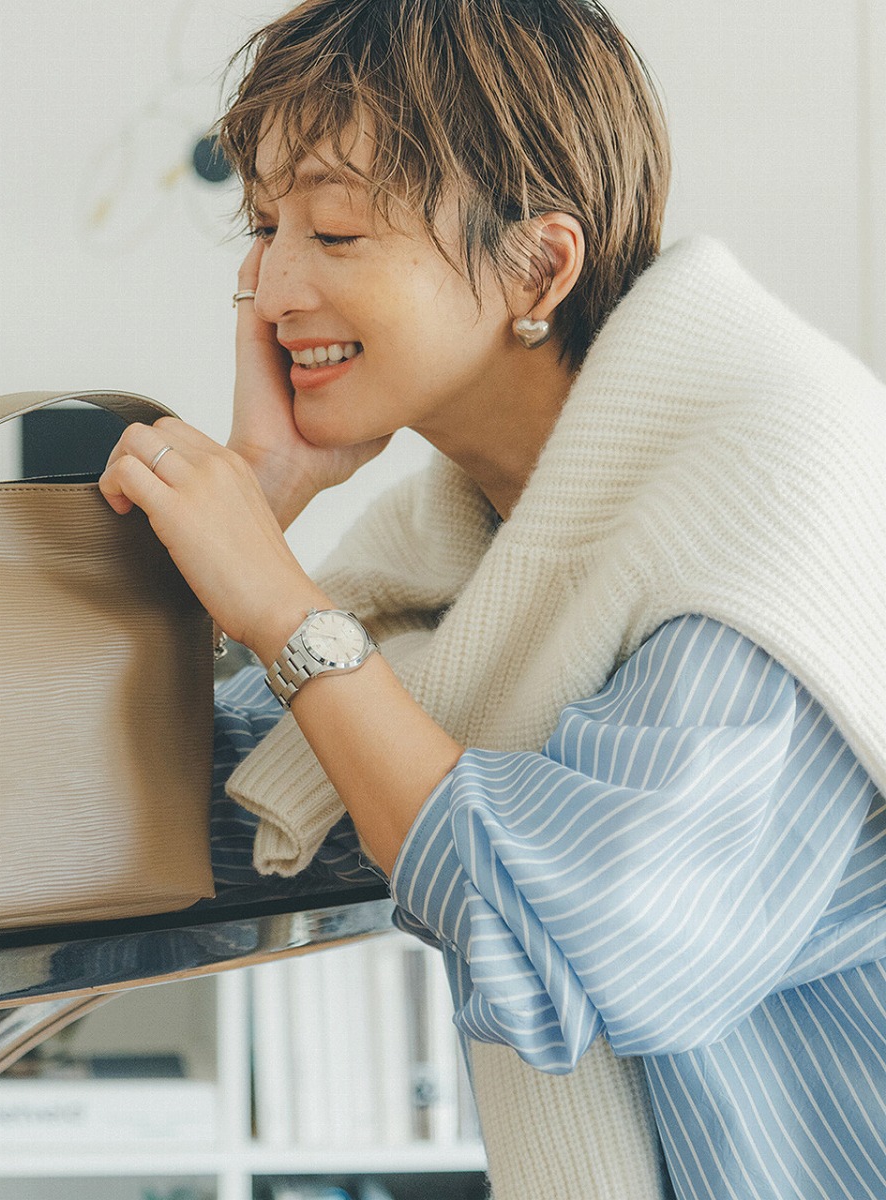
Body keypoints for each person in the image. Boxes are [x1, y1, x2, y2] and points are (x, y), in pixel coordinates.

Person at [99, 1, 886, 1197]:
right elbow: (173, 820)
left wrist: (277, 604)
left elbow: (591, 942)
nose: (269, 290)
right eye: (264, 227)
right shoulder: (461, 551)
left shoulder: (778, 491)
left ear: (540, 264)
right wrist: (257, 511)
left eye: (338, 230)